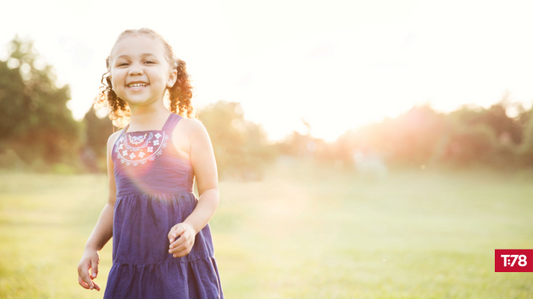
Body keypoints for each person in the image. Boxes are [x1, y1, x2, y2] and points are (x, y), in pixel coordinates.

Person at [77, 28, 224, 298]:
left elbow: (211, 192)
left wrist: (191, 226)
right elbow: (113, 203)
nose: (135, 70)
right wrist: (92, 246)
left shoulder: (190, 129)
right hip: (131, 265)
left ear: (171, 75)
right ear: (111, 78)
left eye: (148, 61)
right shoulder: (115, 142)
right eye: (123, 63)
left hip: (178, 264)